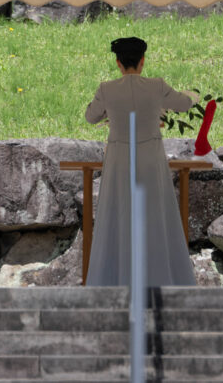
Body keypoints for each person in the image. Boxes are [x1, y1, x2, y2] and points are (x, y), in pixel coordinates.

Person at [84, 36, 197, 286]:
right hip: (149, 160)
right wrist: (194, 95)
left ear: (118, 64)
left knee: (117, 216)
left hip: (119, 161)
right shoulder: (156, 86)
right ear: (143, 61)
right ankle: (159, 278)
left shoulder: (106, 89)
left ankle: (115, 279)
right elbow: (183, 103)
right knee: (156, 217)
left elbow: (90, 117)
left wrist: (107, 111)